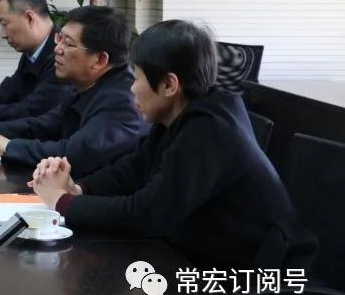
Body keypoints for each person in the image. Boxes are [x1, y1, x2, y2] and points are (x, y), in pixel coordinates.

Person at [29, 20, 316, 269]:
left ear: (169, 84)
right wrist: (78, 189)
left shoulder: (209, 130)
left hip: (251, 274)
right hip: (200, 253)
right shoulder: (182, 112)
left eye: (136, 77)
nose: (131, 88)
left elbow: (146, 214)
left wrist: (62, 202)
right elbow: (133, 168)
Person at [0, 5, 147, 176]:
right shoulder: (91, 84)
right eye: (60, 38)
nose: (57, 48)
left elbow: (74, 154)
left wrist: (8, 146)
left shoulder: (122, 100)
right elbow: (45, 123)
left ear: (100, 60)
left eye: (68, 43)